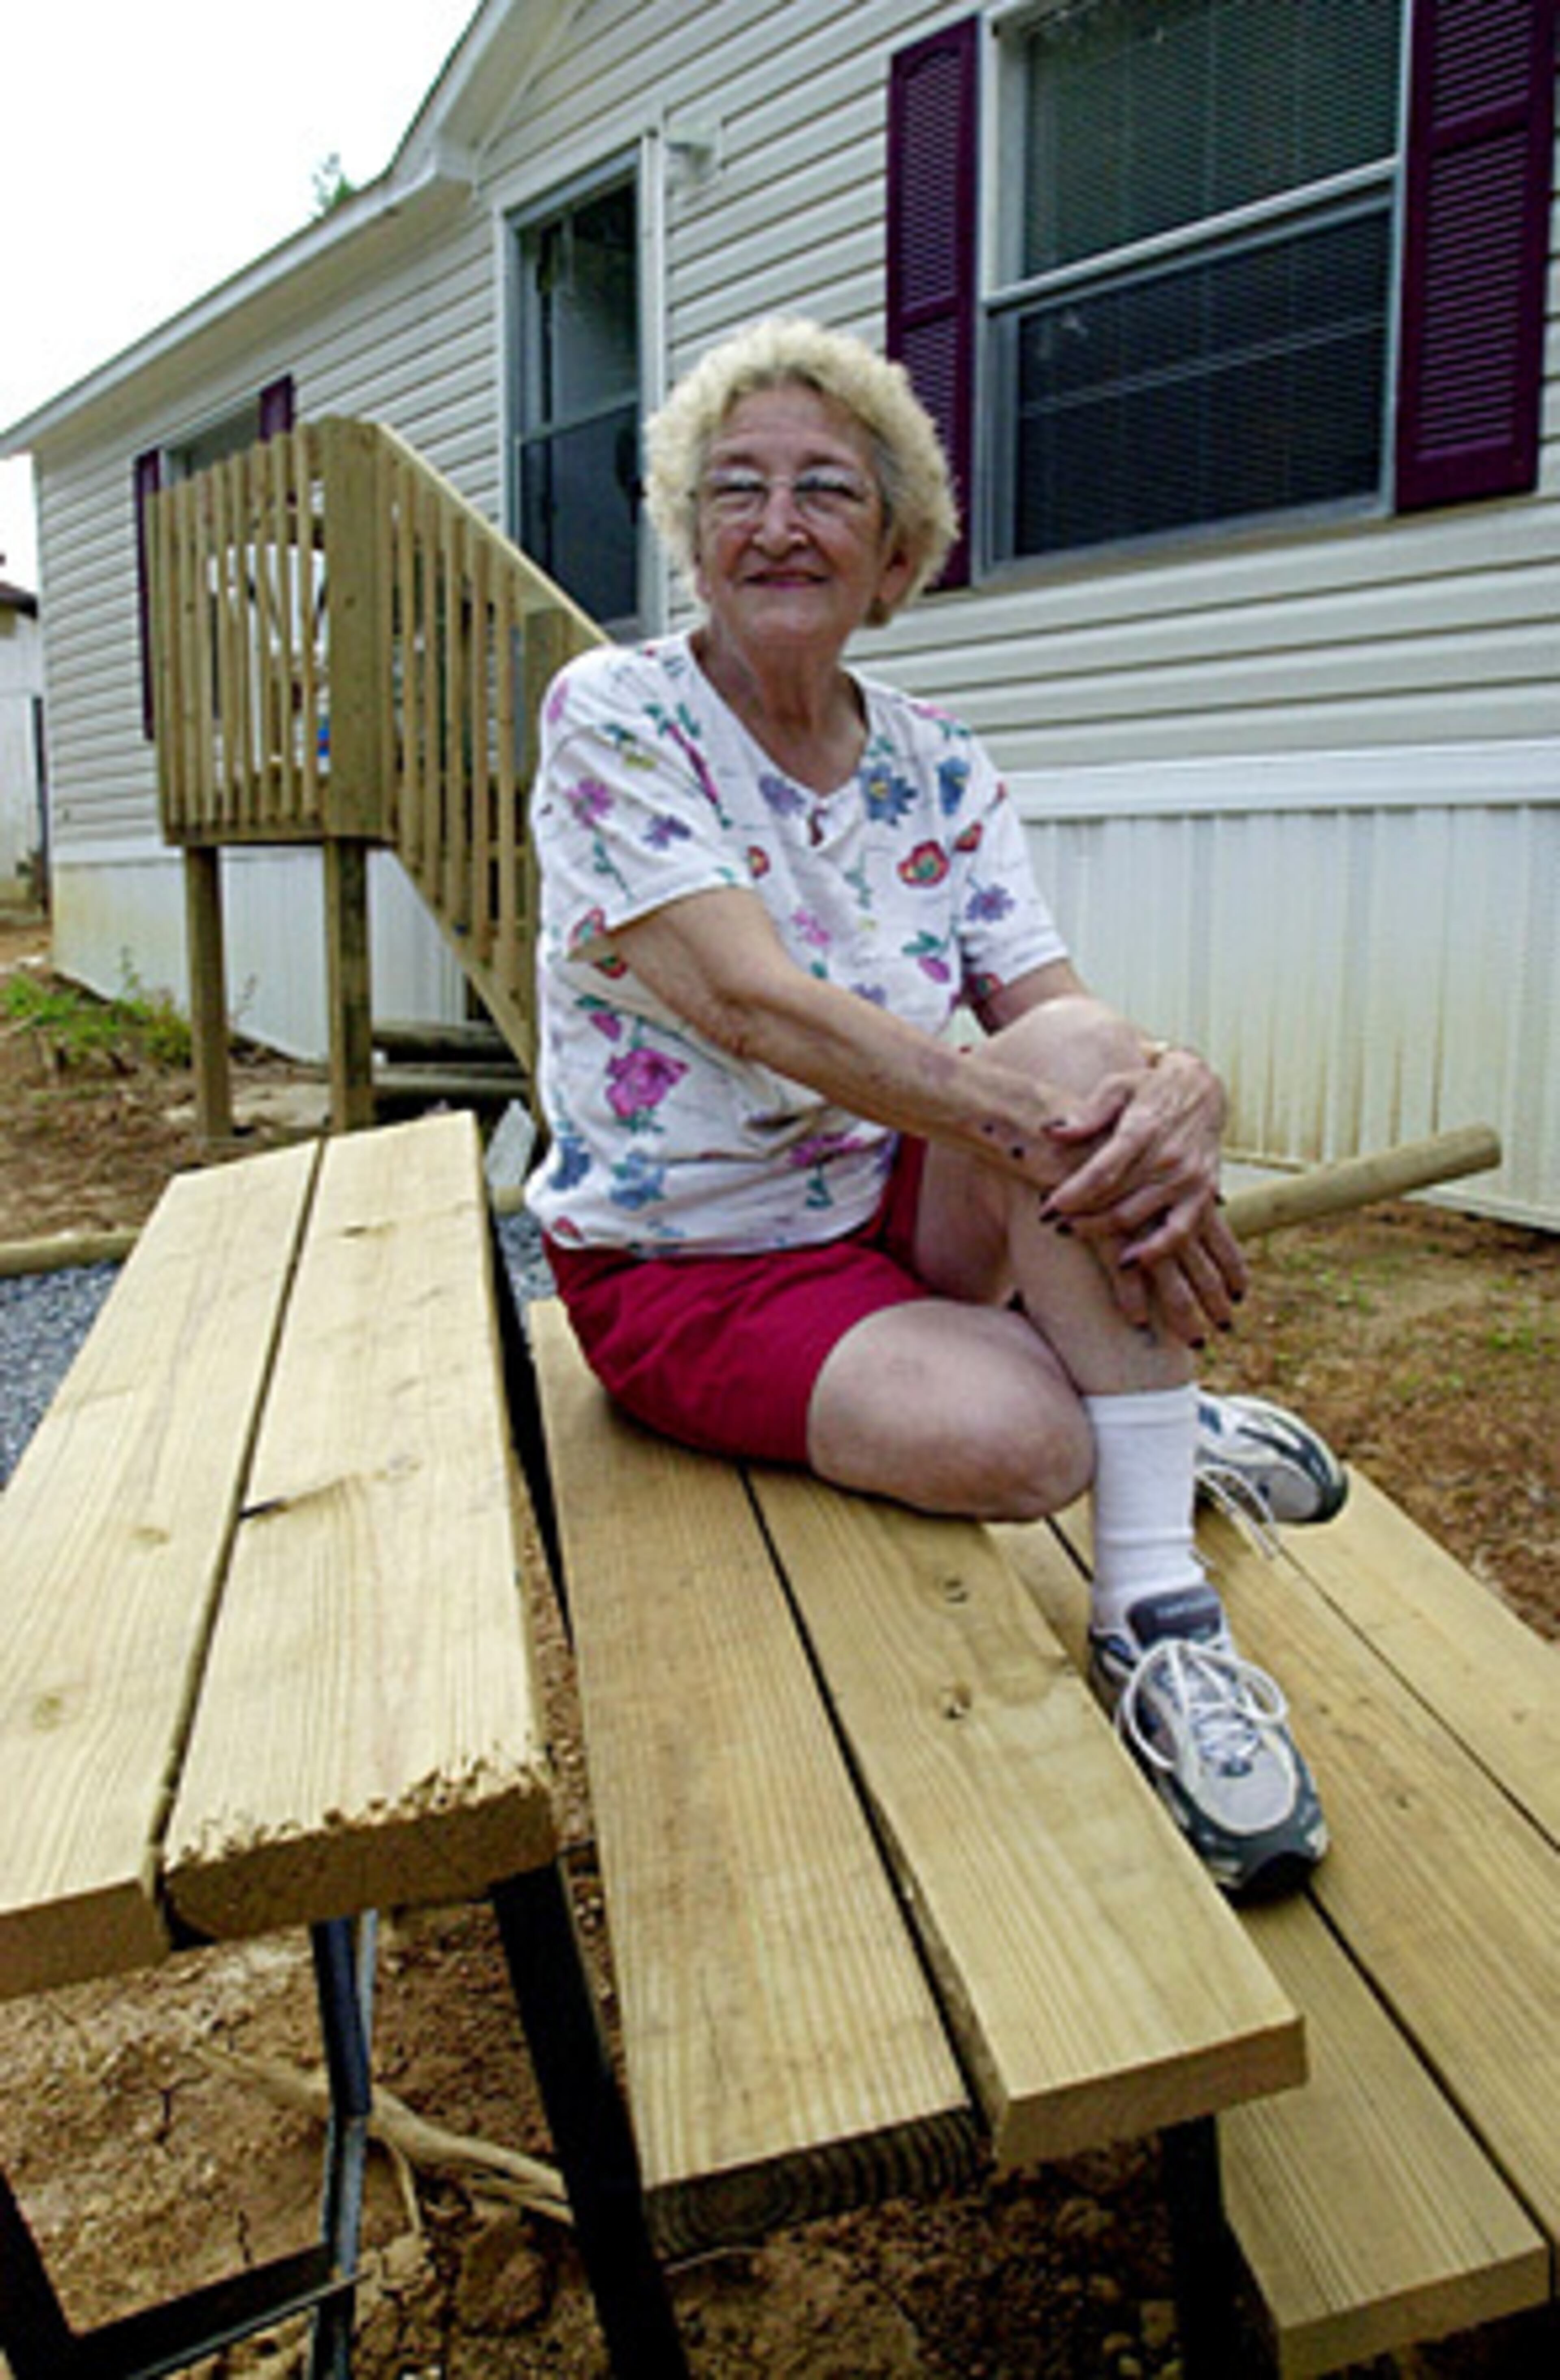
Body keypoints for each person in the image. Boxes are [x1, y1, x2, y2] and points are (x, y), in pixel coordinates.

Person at [526, 316, 1343, 1897]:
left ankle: (1155, 1610)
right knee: (1029, 1440)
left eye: (826, 488)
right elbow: (749, 1001)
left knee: (1096, 1062)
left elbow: (1055, 1019)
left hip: (896, 1206)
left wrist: (1177, 1091)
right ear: (689, 531)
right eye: (738, 487)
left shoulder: (941, 763)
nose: (778, 524)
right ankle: (1149, 1429)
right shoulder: (616, 718)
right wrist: (1074, 1143)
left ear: (896, 545)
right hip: (690, 1265)